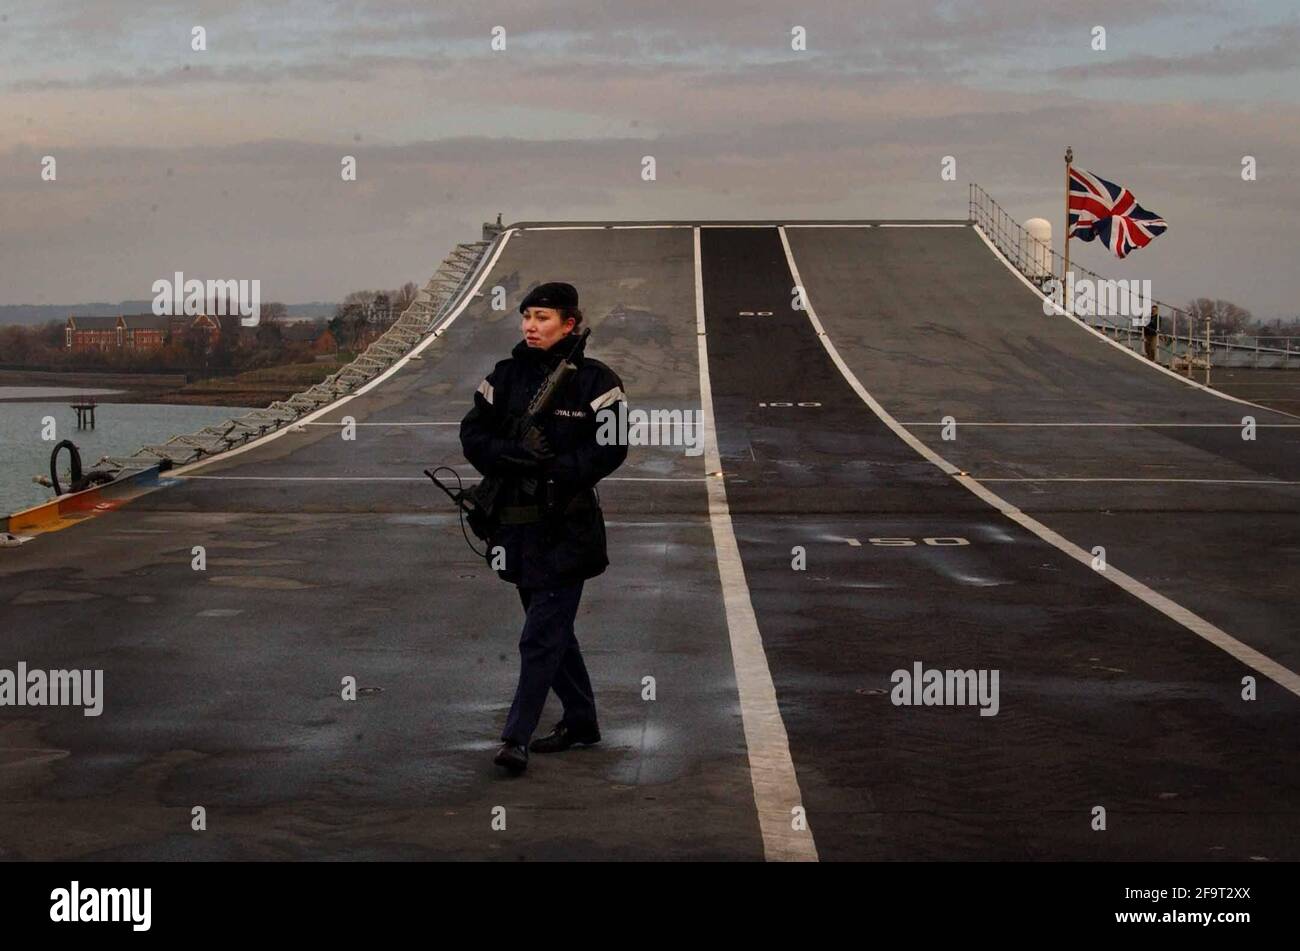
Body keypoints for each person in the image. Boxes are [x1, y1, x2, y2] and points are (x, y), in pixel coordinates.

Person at [459, 282, 628, 773]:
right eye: (527, 317)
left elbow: (613, 447)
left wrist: (555, 470)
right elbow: (473, 434)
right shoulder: (505, 377)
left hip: (568, 530)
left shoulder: (596, 381)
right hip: (516, 530)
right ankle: (581, 722)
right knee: (553, 633)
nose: (530, 326)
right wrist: (511, 455)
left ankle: (516, 738)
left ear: (570, 324)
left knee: (539, 637)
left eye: (543, 318)